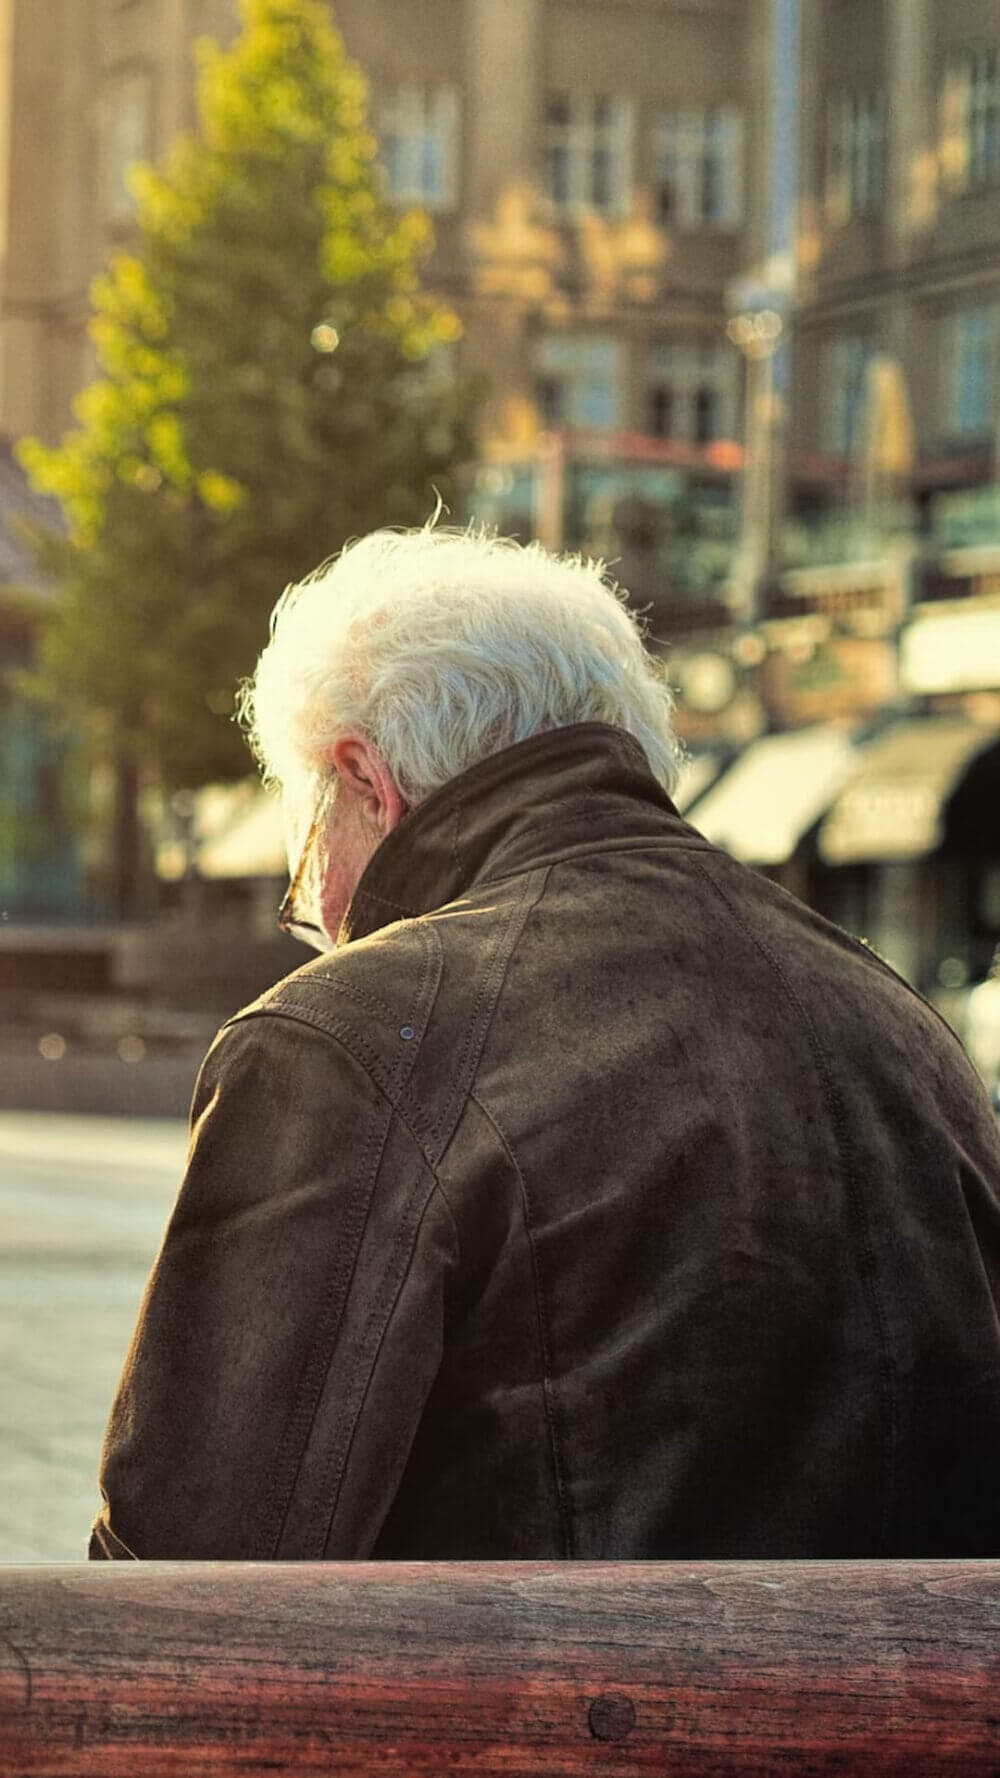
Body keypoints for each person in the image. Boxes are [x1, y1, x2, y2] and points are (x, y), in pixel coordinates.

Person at [90, 525, 1000, 1561]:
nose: (321, 916)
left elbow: (191, 1570)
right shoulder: (899, 1022)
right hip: (920, 1721)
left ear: (365, 782)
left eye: (304, 864)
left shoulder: (350, 1040)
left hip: (530, 1720)